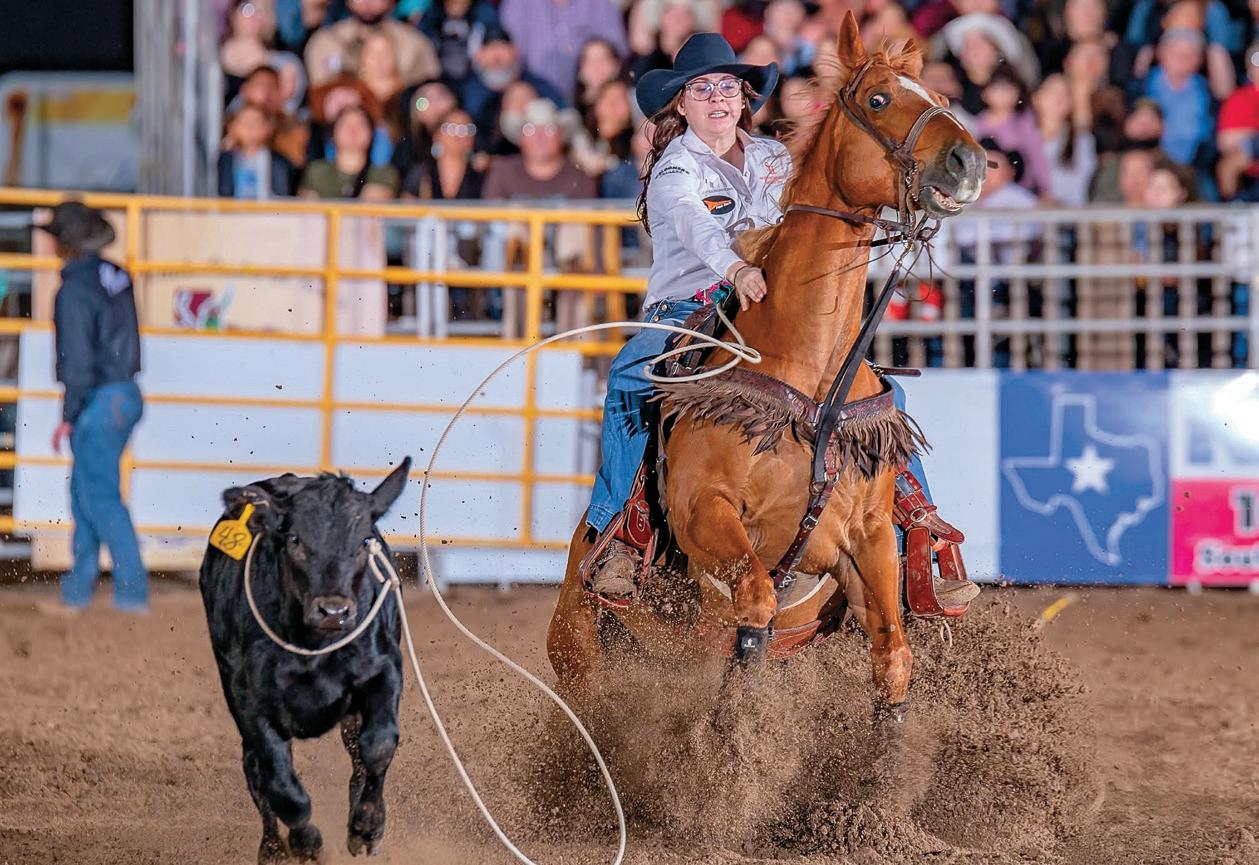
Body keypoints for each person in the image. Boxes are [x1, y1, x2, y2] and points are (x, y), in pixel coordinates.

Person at [583, 32, 976, 606]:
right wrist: (738, 270)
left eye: (727, 88)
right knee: (631, 376)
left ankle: (917, 526)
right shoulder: (674, 170)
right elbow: (697, 229)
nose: (718, 99)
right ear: (681, 104)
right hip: (689, 310)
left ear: (744, 98)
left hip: (776, 309)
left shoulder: (773, 157)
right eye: (702, 89)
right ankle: (618, 529)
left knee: (876, 399)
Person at [37, 202, 147, 615]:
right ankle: (79, 592)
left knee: (96, 496)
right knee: (89, 493)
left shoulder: (74, 289)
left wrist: (69, 414)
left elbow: (77, 358)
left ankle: (130, 593)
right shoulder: (115, 276)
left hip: (100, 399)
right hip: (123, 394)